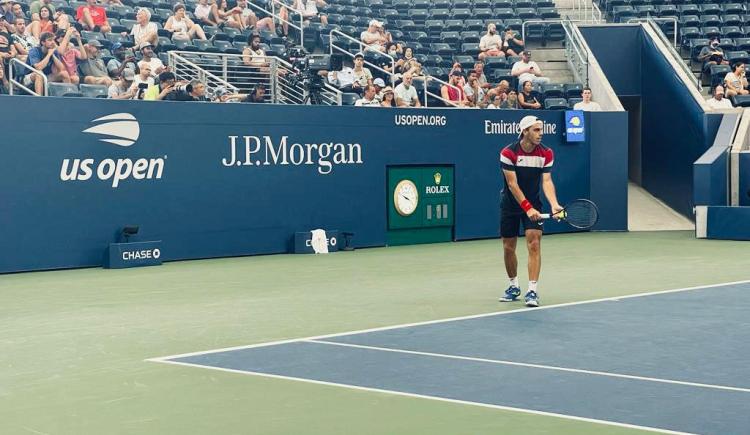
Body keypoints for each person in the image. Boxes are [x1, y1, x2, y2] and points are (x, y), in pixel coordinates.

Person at [499, 115, 562, 307]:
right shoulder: (508, 153)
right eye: (536, 130)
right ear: (524, 131)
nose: (540, 134)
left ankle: (532, 291)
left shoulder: (546, 153)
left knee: (534, 243)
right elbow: (512, 184)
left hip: (535, 204)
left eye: (541, 130)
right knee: (509, 248)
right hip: (511, 205)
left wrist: (554, 204)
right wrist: (527, 208)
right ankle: (513, 286)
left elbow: (547, 181)